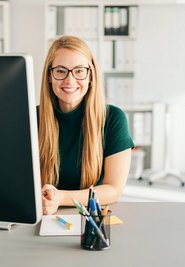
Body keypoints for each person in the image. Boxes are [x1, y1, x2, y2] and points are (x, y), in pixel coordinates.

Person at [39, 35, 134, 215]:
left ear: (90, 75)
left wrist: (60, 198)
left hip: (91, 217)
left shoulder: (113, 118)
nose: (70, 80)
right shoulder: (31, 118)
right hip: (42, 215)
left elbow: (113, 191)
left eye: (79, 71)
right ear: (49, 76)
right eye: (60, 71)